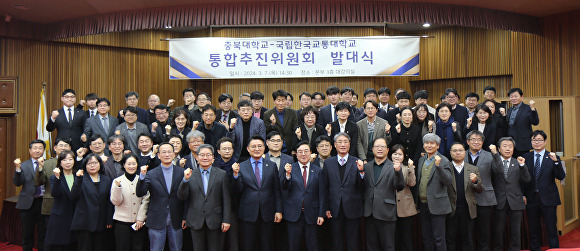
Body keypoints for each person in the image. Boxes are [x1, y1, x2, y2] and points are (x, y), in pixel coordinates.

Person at [232, 135, 283, 251]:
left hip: (268, 213)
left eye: (260, 146)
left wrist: (279, 210)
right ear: (248, 149)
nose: (257, 149)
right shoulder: (241, 166)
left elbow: (277, 190)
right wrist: (235, 175)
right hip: (248, 214)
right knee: (248, 245)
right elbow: (237, 190)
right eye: (253, 146)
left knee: (267, 245)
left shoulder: (271, 165)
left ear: (264, 147)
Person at [178, 144, 232, 251]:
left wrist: (226, 220)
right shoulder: (190, 174)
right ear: (197, 158)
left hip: (215, 220)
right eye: (202, 155)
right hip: (196, 219)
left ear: (213, 158)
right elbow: (182, 197)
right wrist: (185, 181)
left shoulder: (222, 174)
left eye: (208, 155)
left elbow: (226, 199)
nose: (205, 158)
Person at [136, 143, 187, 251]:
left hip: (176, 218)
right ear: (158, 155)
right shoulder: (151, 174)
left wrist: (185, 216)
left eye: (169, 152)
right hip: (156, 219)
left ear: (174, 154)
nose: (167, 154)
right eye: (163, 152)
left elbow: (186, 197)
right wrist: (142, 177)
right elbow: (140, 192)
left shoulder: (182, 172)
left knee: (177, 248)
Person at [522, 130, 566, 251]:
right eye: (534, 140)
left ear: (545, 142)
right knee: (533, 229)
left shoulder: (552, 156)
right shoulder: (526, 157)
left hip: (549, 198)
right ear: (531, 142)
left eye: (539, 140)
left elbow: (561, 176)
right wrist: (523, 195)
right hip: (531, 198)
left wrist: (556, 162)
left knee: (551, 228)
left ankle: (554, 249)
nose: (537, 142)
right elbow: (522, 178)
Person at [322, 132, 365, 251]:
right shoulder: (328, 163)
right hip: (334, 210)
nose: (343, 144)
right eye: (339, 142)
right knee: (336, 243)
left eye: (345, 142)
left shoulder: (357, 162)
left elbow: (362, 187)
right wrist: (326, 207)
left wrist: (361, 172)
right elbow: (325, 188)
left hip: (353, 209)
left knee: (353, 243)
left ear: (350, 145)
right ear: (334, 145)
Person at [280, 141, 326, 251]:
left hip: (312, 215)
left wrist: (321, 214)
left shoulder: (318, 171)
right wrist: (287, 175)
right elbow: (285, 188)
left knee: (313, 246)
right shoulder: (290, 169)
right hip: (294, 215)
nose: (303, 154)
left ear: (311, 153)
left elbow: (322, 194)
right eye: (300, 152)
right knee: (294, 246)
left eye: (306, 151)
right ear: (296, 154)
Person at [362, 138, 404, 251]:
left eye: (383, 147)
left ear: (387, 150)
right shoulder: (366, 167)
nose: (380, 149)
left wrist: (398, 172)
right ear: (372, 149)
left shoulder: (394, 166)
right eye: (377, 146)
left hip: (386, 213)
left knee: (388, 246)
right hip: (369, 212)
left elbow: (399, 187)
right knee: (371, 246)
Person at [492, 137, 531, 251]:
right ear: (499, 149)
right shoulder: (494, 161)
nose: (508, 149)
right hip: (499, 200)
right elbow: (496, 171)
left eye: (510, 146)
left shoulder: (517, 162)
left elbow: (527, 179)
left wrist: (523, 166)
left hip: (515, 201)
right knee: (498, 231)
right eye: (504, 146)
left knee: (515, 231)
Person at [415, 133, 453, 251]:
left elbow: (448, 181)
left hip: (438, 205)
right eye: (427, 143)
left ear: (438, 146)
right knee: (426, 237)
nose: (429, 145)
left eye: (432, 143)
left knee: (439, 238)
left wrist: (438, 166)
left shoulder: (444, 160)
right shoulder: (421, 160)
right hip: (423, 204)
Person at [464, 130, 500, 251]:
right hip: (467, 199)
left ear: (483, 142)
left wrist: (496, 154)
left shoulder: (490, 155)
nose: (476, 142)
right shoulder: (461, 154)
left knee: (484, 232)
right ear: (468, 141)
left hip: (485, 198)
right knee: (468, 232)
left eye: (479, 139)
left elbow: (499, 171)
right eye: (473, 139)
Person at [70, 153, 113, 251]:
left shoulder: (106, 180)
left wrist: (109, 219)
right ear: (85, 166)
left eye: (95, 163)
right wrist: (78, 180)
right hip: (84, 222)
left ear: (100, 164)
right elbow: (73, 197)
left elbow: (109, 201)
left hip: (101, 221)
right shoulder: (81, 179)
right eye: (89, 163)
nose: (92, 165)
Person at [446, 142, 483, 251]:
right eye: (455, 150)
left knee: (468, 239)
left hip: (468, 210)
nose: (458, 153)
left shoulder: (473, 168)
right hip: (450, 209)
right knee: (450, 239)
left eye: (460, 150)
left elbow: (480, 189)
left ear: (465, 152)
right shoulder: (446, 167)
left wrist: (475, 181)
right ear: (450, 153)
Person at [13, 139, 49, 251]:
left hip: (44, 203)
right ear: (30, 150)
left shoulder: (48, 164)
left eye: (40, 148)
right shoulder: (23, 165)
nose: (37, 150)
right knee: (27, 234)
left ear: (44, 150)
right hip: (28, 204)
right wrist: (18, 169)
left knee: (43, 234)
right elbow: (17, 183)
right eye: (35, 148)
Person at [110, 153, 150, 251]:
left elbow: (146, 200)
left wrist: (141, 218)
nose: (131, 166)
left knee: (138, 247)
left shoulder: (142, 180)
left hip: (139, 223)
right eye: (128, 164)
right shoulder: (117, 181)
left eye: (134, 164)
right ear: (124, 165)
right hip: (122, 223)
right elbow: (116, 202)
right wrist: (117, 187)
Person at [45, 150, 77, 251]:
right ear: (60, 162)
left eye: (70, 159)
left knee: (73, 246)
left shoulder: (79, 176)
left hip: (75, 217)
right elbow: (55, 194)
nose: (68, 162)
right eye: (64, 160)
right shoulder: (54, 178)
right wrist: (58, 178)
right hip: (60, 218)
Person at [35, 138, 72, 221]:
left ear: (69, 148)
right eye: (61, 145)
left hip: (70, 206)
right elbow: (39, 182)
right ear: (55, 148)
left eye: (66, 146)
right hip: (51, 205)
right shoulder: (46, 164)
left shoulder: (74, 164)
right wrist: (40, 167)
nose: (63, 148)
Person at [214, 137, 240, 251]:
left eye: (230, 148)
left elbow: (239, 188)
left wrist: (235, 175)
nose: (227, 151)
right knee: (217, 242)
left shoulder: (240, 165)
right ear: (219, 151)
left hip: (234, 208)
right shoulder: (213, 165)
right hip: (216, 207)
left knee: (234, 241)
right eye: (224, 149)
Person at [390, 145, 416, 251]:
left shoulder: (407, 167)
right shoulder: (386, 167)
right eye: (395, 154)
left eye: (400, 154)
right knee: (393, 238)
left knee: (406, 238)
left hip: (405, 207)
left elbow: (412, 183)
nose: (397, 156)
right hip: (390, 207)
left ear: (404, 155)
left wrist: (410, 168)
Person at [264, 89, 299, 155]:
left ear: (286, 101)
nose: (281, 103)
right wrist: (272, 124)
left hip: (289, 147)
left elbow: (295, 130)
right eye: (278, 100)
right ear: (274, 101)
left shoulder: (292, 112)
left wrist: (294, 148)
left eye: (283, 100)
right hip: (275, 147)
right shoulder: (267, 114)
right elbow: (266, 132)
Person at [506, 88, 539, 157]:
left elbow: (535, 122)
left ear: (521, 97)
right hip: (510, 143)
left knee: (523, 165)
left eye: (516, 96)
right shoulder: (509, 109)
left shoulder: (527, 108)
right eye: (511, 97)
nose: (513, 98)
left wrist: (533, 109)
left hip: (523, 144)